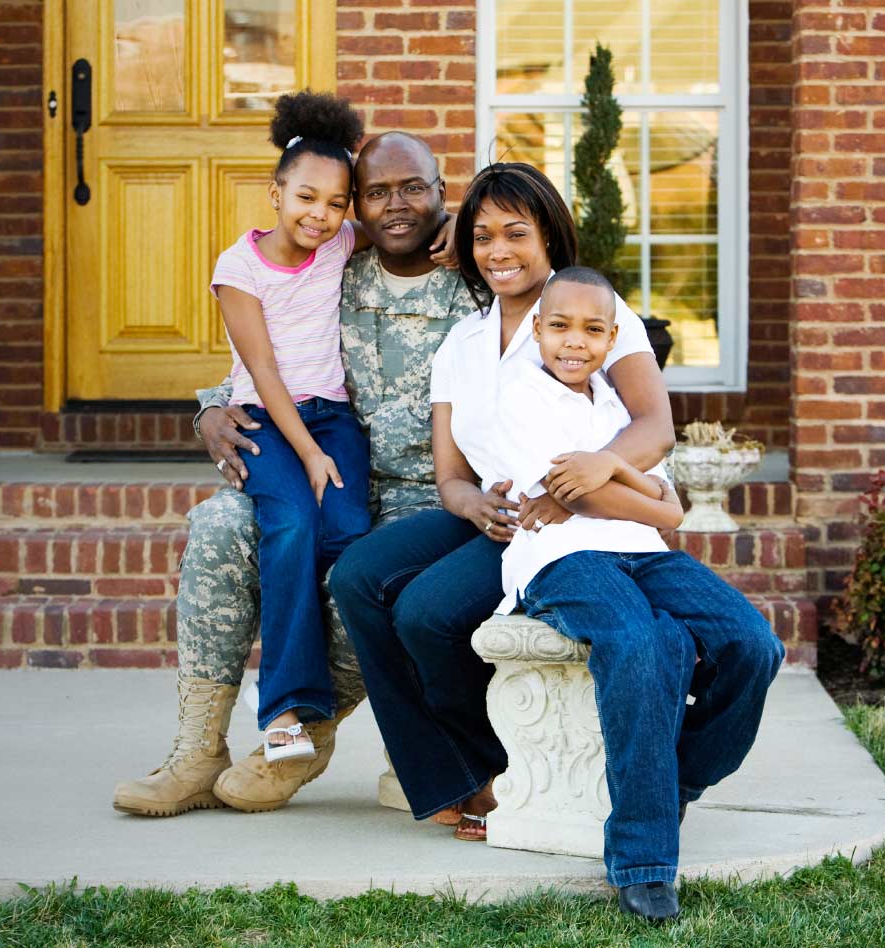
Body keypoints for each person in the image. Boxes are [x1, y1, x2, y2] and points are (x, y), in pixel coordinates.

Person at [112, 130, 477, 816]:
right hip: (319, 459)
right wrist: (211, 412)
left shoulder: (476, 275)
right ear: (356, 209)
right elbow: (266, 348)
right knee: (220, 526)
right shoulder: (338, 261)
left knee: (353, 569)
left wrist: (467, 222)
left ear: (440, 191)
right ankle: (196, 750)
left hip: (432, 493)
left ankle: (304, 731)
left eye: (416, 190)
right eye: (376, 194)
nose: (395, 207)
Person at [326, 163, 675, 840]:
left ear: (548, 236)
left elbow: (654, 428)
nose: (497, 251)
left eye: (515, 233)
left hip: (569, 524)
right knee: (358, 576)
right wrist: (471, 505)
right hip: (495, 518)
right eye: (481, 236)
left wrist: (589, 473)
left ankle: (497, 774)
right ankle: (446, 772)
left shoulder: (593, 318)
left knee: (426, 612)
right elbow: (450, 473)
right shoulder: (462, 340)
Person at [478, 266, 783, 921]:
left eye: (592, 331)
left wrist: (608, 463)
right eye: (558, 326)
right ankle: (644, 863)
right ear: (536, 328)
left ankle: (676, 779)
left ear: (612, 338)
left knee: (753, 644)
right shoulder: (518, 394)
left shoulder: (615, 406)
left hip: (645, 555)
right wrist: (611, 484)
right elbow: (588, 497)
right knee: (640, 643)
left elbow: (669, 511)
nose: (573, 342)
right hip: (562, 560)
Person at [208, 90, 373, 763]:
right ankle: (281, 708)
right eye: (307, 197)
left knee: (348, 534)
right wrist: (304, 452)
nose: (321, 215)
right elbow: (264, 371)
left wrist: (451, 227)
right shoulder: (237, 268)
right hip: (269, 425)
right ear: (275, 192)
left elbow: (407, 227)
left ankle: (318, 687)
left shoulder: (340, 244)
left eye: (336, 204)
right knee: (292, 528)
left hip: (333, 419)